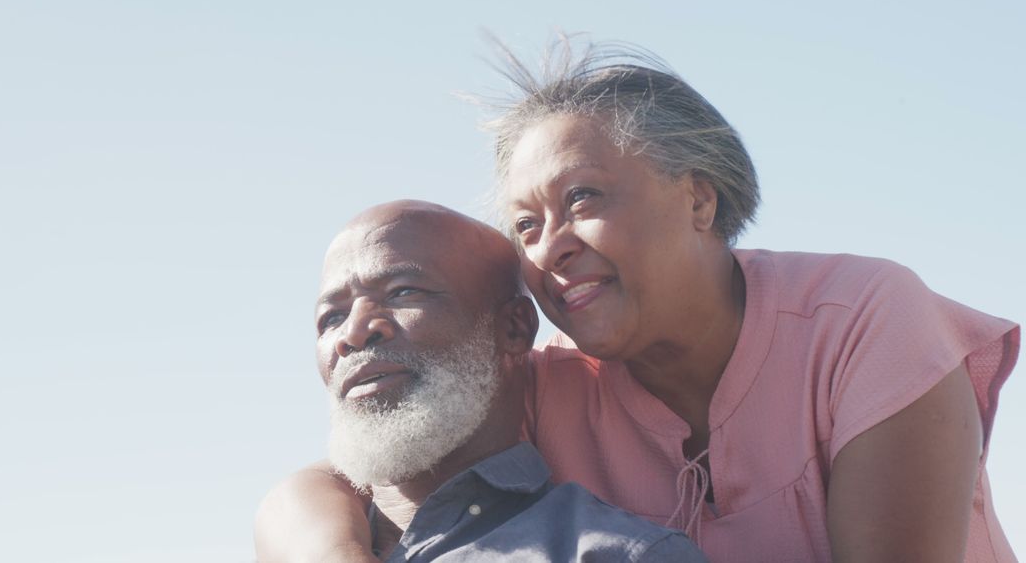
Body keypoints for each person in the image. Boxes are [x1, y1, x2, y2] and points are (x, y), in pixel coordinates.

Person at [265, 41, 1020, 562]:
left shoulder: (862, 320)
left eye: (582, 198)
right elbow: (324, 484)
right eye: (525, 224)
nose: (548, 245)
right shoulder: (547, 378)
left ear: (698, 198)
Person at [254, 200, 707, 562]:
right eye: (330, 317)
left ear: (512, 328)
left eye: (403, 292)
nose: (353, 333)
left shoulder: (612, 553)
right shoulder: (300, 535)